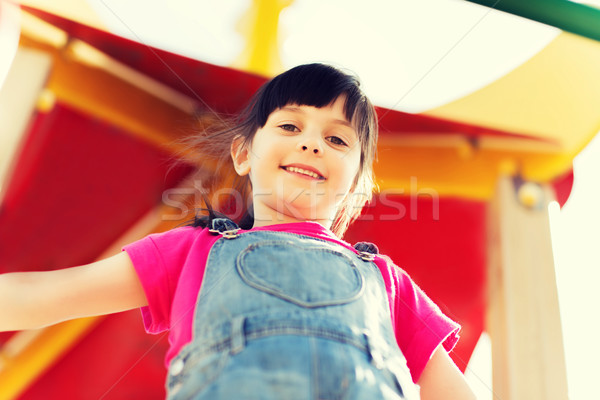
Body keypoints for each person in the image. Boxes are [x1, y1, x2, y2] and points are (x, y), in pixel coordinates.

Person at [0, 64, 476, 399]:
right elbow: (50, 294)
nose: (311, 143)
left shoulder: (388, 283)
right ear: (244, 154)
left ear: (358, 182)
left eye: (336, 139)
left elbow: (451, 391)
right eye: (290, 126)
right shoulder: (192, 251)